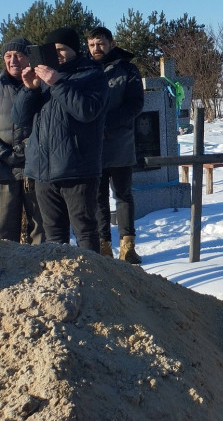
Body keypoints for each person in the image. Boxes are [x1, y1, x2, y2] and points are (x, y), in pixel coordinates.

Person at [13, 26, 107, 250]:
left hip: (78, 169)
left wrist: (58, 83)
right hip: (44, 171)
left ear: (74, 50)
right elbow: (19, 118)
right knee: (53, 233)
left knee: (84, 230)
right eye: (52, 50)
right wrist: (30, 89)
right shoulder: (44, 78)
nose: (56, 54)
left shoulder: (92, 75)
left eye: (61, 49)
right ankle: (63, 282)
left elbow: (87, 111)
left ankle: (90, 280)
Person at [87, 27, 145, 263]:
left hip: (119, 143)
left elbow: (135, 105)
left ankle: (127, 246)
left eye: (100, 43)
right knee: (98, 198)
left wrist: (105, 126)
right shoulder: (85, 68)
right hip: (93, 148)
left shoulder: (127, 69)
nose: (95, 49)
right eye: (91, 44)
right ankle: (103, 246)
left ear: (111, 43)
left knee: (123, 195)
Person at [0, 37, 43, 244]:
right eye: (8, 56)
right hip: (4, 169)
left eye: (19, 55)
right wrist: (6, 154)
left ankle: (44, 269)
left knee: (40, 227)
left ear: (29, 58)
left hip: (36, 166)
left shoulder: (42, 85)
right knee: (5, 229)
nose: (13, 60)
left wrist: (29, 149)